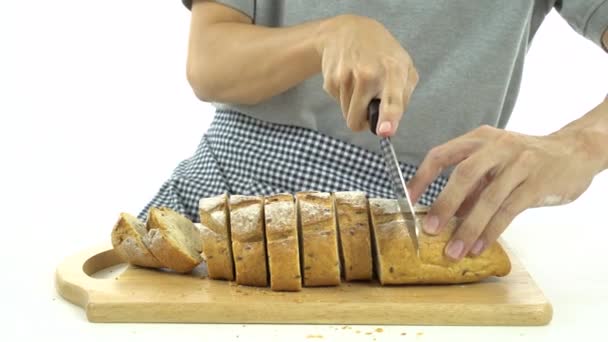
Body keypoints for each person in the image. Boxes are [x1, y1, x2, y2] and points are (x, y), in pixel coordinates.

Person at [140, 0, 608, 261]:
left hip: (424, 232)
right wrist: (325, 36)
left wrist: (581, 145)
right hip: (226, 210)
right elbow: (209, 62)